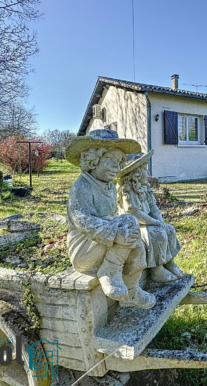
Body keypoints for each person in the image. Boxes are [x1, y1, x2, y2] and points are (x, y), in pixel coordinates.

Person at [65, 129, 155, 309]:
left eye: (119, 162)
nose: (116, 166)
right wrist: (116, 233)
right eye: (110, 160)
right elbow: (83, 220)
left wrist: (121, 234)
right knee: (129, 223)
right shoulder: (82, 186)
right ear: (92, 161)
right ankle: (109, 271)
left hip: (106, 242)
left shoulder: (110, 187)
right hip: (85, 248)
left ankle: (131, 292)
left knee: (136, 242)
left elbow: (112, 218)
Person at [117, 151, 183, 283]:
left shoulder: (144, 186)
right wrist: (154, 223)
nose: (148, 173)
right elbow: (134, 213)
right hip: (133, 225)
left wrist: (158, 220)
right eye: (145, 169)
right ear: (136, 173)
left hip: (147, 221)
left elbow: (153, 206)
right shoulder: (127, 189)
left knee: (169, 229)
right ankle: (157, 270)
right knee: (156, 234)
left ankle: (169, 262)